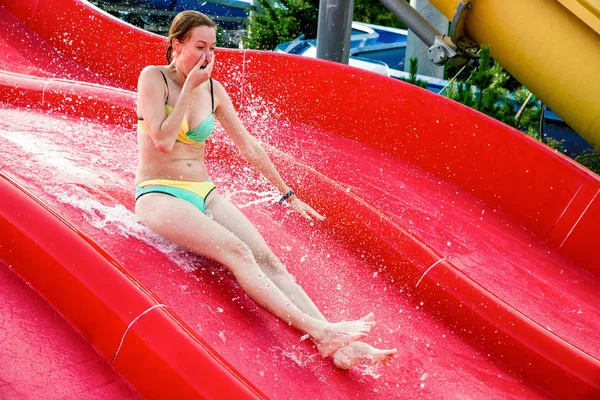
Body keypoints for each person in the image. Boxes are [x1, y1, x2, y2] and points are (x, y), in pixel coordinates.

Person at [134, 10, 396, 367]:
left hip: (204, 191)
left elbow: (250, 147)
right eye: (199, 46)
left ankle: (342, 346)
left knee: (271, 261)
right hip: (158, 194)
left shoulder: (214, 90)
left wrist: (288, 194)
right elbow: (163, 140)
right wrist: (188, 91)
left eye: (213, 48)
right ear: (176, 44)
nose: (208, 56)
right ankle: (320, 332)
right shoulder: (154, 79)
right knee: (237, 251)